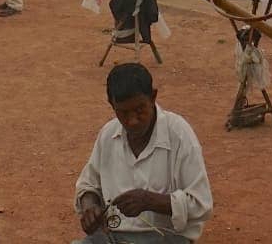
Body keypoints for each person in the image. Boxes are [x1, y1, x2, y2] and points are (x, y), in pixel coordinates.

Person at [74, 63, 213, 244]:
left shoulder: (178, 135)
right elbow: (88, 186)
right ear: (112, 105)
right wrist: (89, 207)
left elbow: (202, 205)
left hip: (166, 238)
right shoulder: (108, 134)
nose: (132, 121)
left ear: (153, 97)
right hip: (112, 237)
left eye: (140, 110)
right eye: (123, 112)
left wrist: (150, 201)